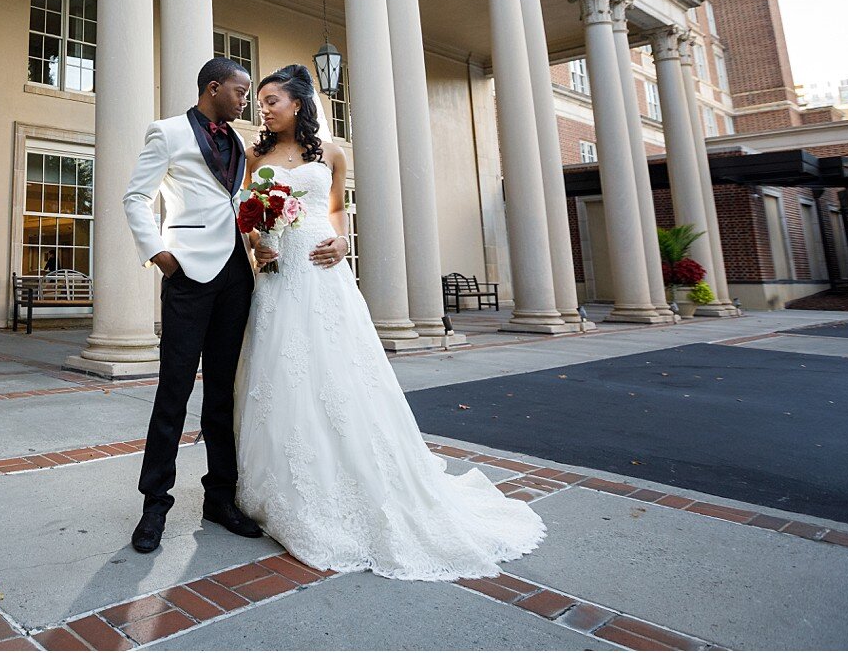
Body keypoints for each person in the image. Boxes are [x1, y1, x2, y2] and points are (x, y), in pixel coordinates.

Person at [234, 64, 546, 580]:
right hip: (277, 275)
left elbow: (334, 216)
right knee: (278, 372)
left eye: (272, 100)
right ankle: (280, 485)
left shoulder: (330, 153)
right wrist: (257, 246)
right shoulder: (254, 155)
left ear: (299, 103)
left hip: (321, 270)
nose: (263, 108)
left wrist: (340, 243)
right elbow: (247, 216)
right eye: (261, 101)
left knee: (336, 370)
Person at [121, 57, 261, 553]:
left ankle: (219, 499)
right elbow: (136, 196)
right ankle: (154, 505)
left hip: (235, 276)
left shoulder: (238, 144)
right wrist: (159, 254)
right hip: (188, 275)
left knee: (222, 393)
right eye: (240, 92)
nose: (245, 100)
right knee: (174, 392)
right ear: (214, 87)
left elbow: (234, 201)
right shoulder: (167, 132)